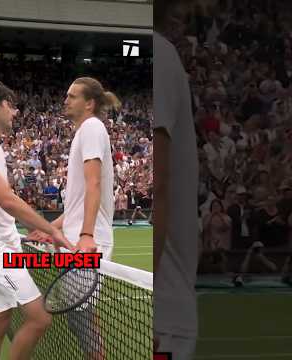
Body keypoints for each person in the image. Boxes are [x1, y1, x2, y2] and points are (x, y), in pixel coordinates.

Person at [0, 80, 73, 360]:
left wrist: (30, 231)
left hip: (5, 246)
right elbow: (6, 200)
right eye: (11, 105)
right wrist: (50, 230)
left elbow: (0, 206)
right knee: (39, 318)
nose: (15, 112)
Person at [33, 77, 119, 360]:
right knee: (78, 319)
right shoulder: (84, 131)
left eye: (72, 96)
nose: (65, 100)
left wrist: (86, 236)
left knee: (81, 321)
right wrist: (50, 229)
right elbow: (77, 204)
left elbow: (93, 184)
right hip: (73, 241)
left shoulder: (92, 127)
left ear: (89, 103)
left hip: (87, 242)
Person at [153, 0, 199, 358]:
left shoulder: (159, 54)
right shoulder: (161, 53)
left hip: (161, 313)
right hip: (162, 313)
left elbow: (159, 185)